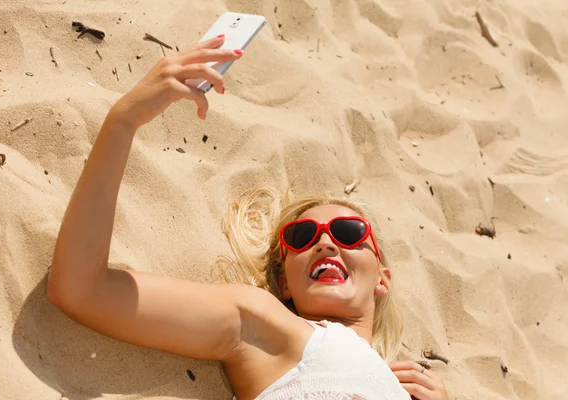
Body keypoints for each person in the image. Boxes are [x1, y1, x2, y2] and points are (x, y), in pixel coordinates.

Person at [47, 35, 450, 400]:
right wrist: (123, 121)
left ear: (383, 276)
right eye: (302, 236)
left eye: (348, 232)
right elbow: (81, 289)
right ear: (284, 285)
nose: (325, 242)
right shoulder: (270, 327)